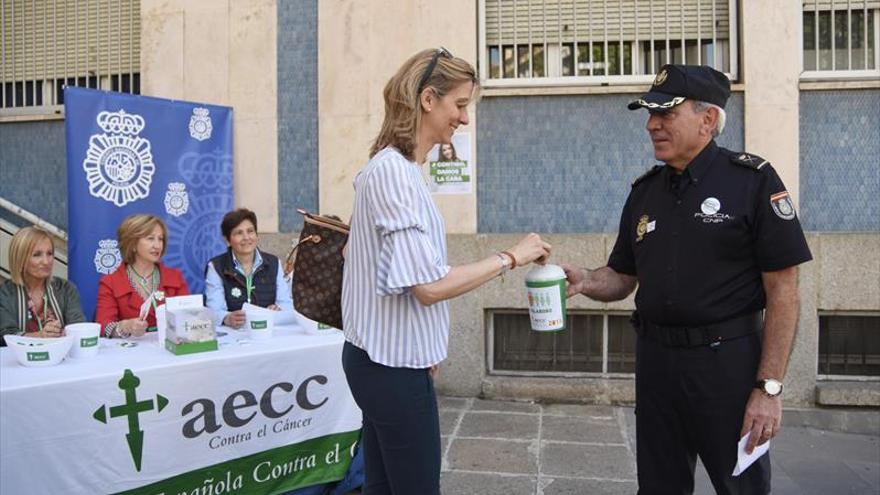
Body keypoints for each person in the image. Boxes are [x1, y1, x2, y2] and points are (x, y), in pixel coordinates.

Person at [562, 64, 812, 494]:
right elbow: (622, 276)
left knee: (741, 488)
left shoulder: (752, 181)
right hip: (657, 365)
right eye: (650, 114)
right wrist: (585, 279)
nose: (651, 124)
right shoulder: (645, 191)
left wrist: (768, 389)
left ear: (708, 119)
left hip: (727, 369)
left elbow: (784, 291)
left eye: (665, 114)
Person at [341, 47, 551, 495]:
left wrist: (425, 344)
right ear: (427, 99)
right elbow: (430, 286)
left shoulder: (399, 170)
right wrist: (511, 257)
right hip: (389, 369)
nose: (464, 119)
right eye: (460, 105)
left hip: (387, 361)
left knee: (382, 487)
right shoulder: (394, 173)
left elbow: (390, 271)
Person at [96, 214, 190, 338]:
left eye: (160, 239)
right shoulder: (111, 282)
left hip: (171, 348)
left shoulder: (175, 277)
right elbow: (103, 327)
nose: (157, 245)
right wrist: (124, 327)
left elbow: (189, 315)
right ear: (133, 244)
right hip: (131, 353)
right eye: (150, 238)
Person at [205, 208, 293, 329]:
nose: (246, 237)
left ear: (256, 235)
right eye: (239, 233)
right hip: (233, 335)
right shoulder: (216, 266)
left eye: (250, 231)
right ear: (227, 240)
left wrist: (278, 309)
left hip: (268, 331)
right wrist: (227, 318)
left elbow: (286, 303)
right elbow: (213, 310)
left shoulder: (273, 263)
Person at [0, 227, 85, 343]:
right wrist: (40, 336)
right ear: (20, 259)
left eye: (49, 253)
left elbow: (78, 326)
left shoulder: (66, 289)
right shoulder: (5, 293)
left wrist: (66, 333)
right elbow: (5, 336)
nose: (46, 261)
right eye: (37, 255)